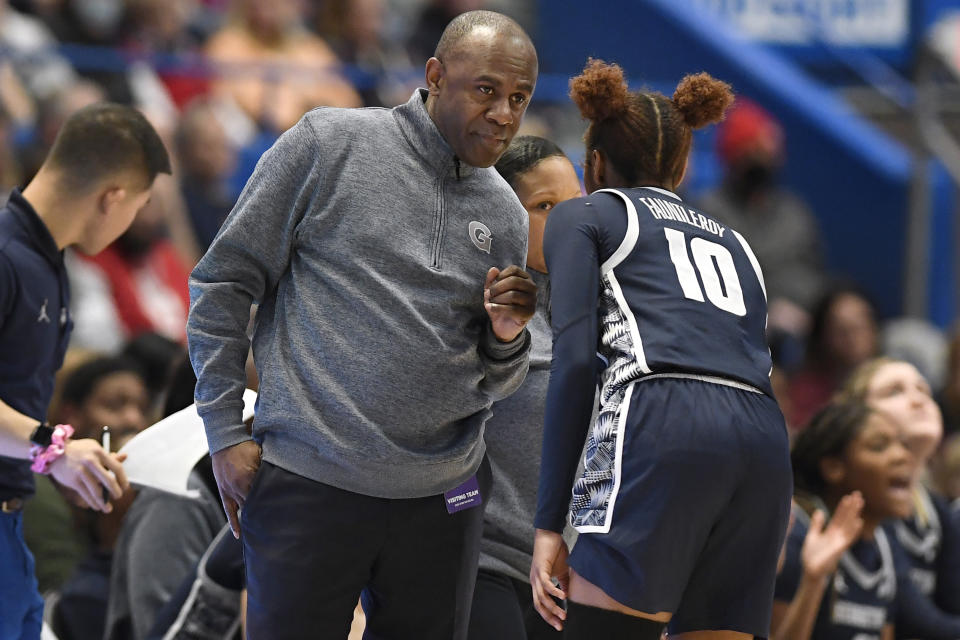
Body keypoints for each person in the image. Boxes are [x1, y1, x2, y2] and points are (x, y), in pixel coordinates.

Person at [187, 9, 538, 639]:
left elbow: (497, 382)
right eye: (487, 89)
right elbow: (223, 280)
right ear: (434, 75)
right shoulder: (329, 143)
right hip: (311, 483)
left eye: (520, 97)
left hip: (442, 501)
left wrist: (507, 338)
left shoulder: (506, 214)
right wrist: (220, 428)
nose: (505, 114)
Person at [530, 59, 792, 639]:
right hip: (764, 436)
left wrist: (550, 524)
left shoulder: (587, 212)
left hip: (662, 415)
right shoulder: (739, 242)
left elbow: (574, 362)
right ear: (681, 167)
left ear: (594, 162)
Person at [0, 101, 169, 640]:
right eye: (137, 206)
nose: (127, 225)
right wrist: (53, 448)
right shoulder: (5, 255)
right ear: (112, 197)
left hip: (12, 522)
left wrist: (59, 465)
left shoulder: (50, 265)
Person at [467, 135, 581, 640]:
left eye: (576, 205)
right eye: (544, 206)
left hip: (561, 578)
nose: (568, 221)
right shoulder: (483, 312)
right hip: (480, 560)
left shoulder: (600, 319)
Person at [775, 400, 915, 639]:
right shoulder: (798, 535)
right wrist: (814, 580)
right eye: (879, 446)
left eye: (903, 444)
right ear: (833, 467)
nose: (902, 455)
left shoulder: (885, 545)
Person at [839, 358, 960, 634]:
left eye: (924, 390)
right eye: (895, 391)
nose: (919, 400)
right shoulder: (860, 500)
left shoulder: (939, 511)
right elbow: (917, 621)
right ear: (855, 415)